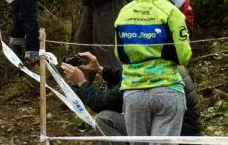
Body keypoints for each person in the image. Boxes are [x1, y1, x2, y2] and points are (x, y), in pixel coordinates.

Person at [115, 0, 192, 141]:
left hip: (133, 92)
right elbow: (184, 56)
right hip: (167, 88)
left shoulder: (124, 12)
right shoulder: (171, 11)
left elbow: (121, 55)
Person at [60, 51, 202, 144]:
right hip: (187, 129)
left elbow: (102, 103)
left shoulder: (142, 74)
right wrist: (100, 69)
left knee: (104, 119)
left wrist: (81, 82)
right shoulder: (161, 59)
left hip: (176, 133)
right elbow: (124, 77)